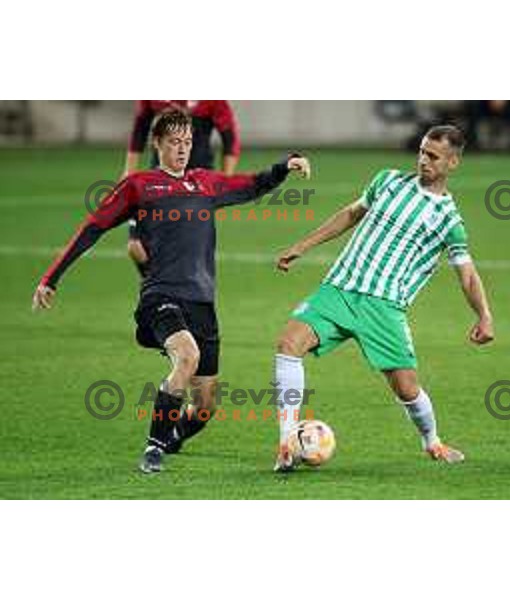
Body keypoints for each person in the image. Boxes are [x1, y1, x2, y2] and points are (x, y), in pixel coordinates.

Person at [32, 109, 310, 474]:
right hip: (160, 297)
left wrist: (285, 164)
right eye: (174, 142)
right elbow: (92, 228)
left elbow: (253, 184)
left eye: (188, 142)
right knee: (186, 356)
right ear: (158, 144)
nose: (182, 149)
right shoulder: (139, 185)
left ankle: (173, 435)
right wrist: (52, 277)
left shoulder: (205, 183)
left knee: (206, 407)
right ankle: (153, 448)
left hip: (202, 304)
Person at [272, 125, 494, 472]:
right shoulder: (388, 180)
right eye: (422, 151)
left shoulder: (449, 220)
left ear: (453, 162)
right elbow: (349, 214)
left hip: (384, 308)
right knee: (288, 344)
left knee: (407, 389)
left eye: (433, 156)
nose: (423, 160)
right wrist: (301, 246)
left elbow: (466, 273)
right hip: (340, 289)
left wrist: (484, 315)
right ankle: (287, 443)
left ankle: (432, 442)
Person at [124, 101, 242, 274]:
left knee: (184, 250)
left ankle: (168, 290)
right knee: (136, 246)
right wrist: (129, 171)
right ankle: (156, 284)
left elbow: (230, 140)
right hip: (158, 179)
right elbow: (140, 128)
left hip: (196, 185)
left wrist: (225, 182)